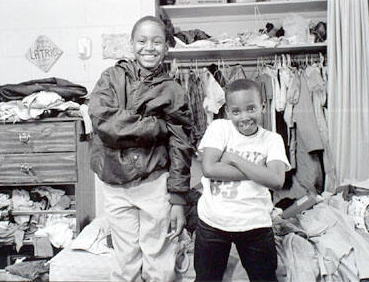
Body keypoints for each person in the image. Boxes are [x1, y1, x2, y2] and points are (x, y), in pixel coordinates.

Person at [88, 16, 193, 281]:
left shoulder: (173, 90)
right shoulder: (110, 78)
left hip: (154, 184)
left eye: (157, 41)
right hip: (114, 183)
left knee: (159, 260)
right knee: (125, 262)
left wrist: (178, 199)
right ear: (132, 44)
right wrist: (156, 127)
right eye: (142, 41)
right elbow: (104, 123)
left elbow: (181, 145)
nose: (149, 47)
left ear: (166, 47)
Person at [194, 79, 291, 282]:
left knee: (264, 278)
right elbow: (210, 169)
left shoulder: (273, 140)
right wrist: (261, 172)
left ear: (263, 107)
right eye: (236, 111)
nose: (244, 117)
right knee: (206, 279)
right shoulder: (220, 128)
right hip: (213, 222)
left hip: (255, 223)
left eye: (251, 109)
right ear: (228, 112)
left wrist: (234, 159)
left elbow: (276, 181)